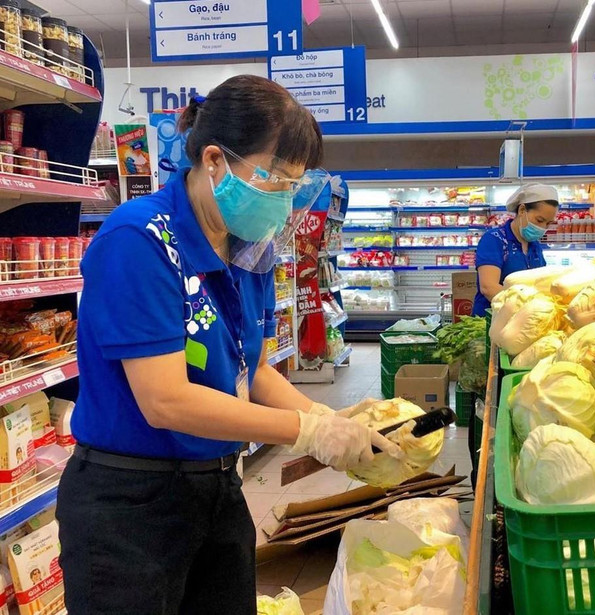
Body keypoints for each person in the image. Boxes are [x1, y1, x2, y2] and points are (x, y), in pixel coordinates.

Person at [56, 75, 401, 615]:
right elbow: (165, 399)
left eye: (295, 186)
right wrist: (306, 430)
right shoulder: (139, 240)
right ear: (215, 160)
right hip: (129, 504)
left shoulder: (248, 251)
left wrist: (330, 419)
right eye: (276, 181)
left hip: (217, 487)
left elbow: (256, 369)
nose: (285, 204)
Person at [472, 184, 560, 315]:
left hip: (524, 321)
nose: (543, 228)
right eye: (539, 220)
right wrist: (527, 308)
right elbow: (488, 287)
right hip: (490, 320)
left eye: (548, 223)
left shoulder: (535, 246)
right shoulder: (494, 239)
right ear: (522, 210)